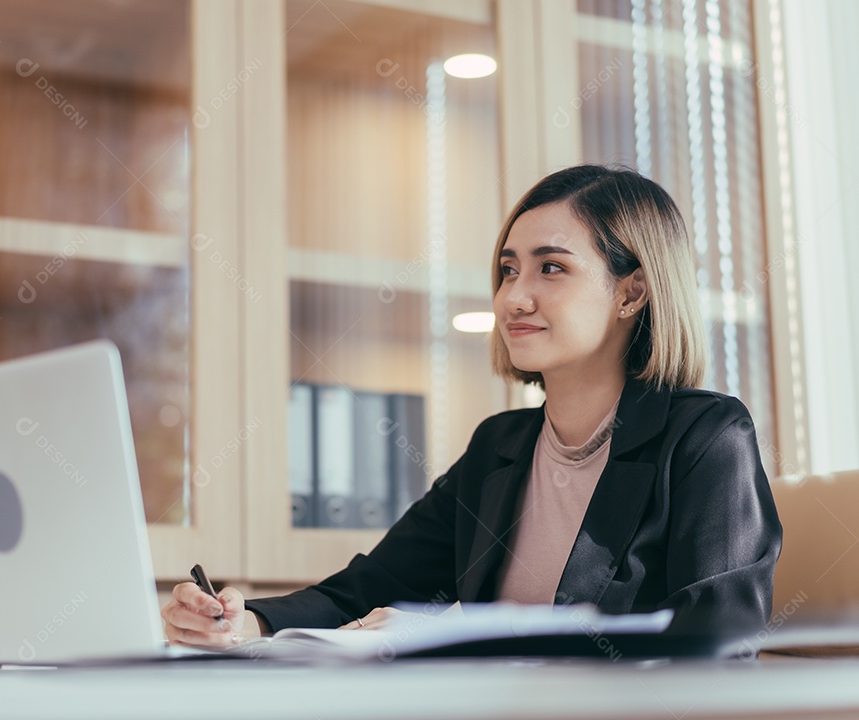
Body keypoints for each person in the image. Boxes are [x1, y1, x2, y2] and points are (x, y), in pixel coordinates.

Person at [161, 164, 783, 648]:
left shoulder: (706, 436)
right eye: (509, 271)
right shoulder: (499, 446)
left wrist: (468, 631)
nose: (514, 297)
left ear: (632, 293)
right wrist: (246, 622)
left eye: (551, 269)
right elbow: (370, 589)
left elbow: (717, 637)